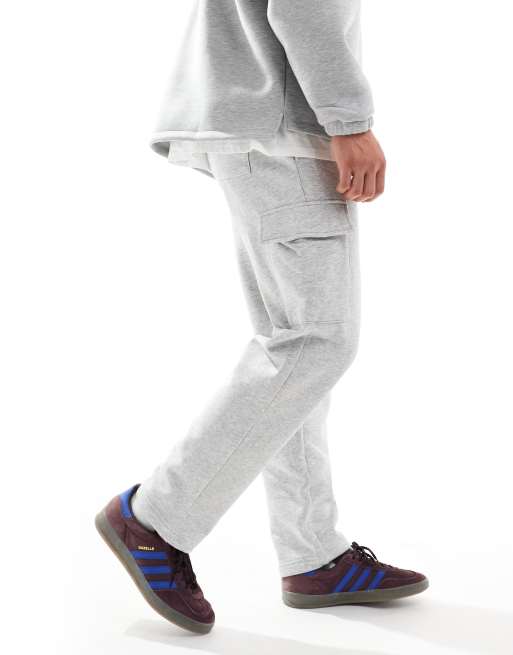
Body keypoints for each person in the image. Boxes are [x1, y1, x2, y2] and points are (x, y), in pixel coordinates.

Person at [95, 0, 428, 634]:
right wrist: (349, 122)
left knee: (295, 349)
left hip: (256, 120)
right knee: (316, 343)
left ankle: (312, 553)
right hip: (281, 126)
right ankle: (155, 517)